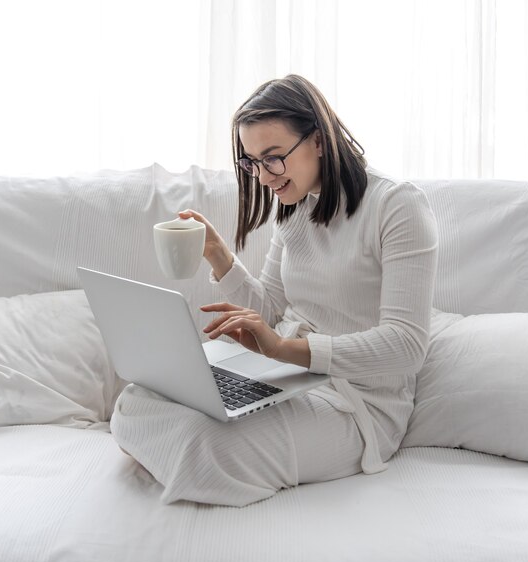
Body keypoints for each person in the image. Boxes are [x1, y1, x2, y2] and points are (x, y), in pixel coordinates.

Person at [111, 74, 438, 507]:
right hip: (286, 377)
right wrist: (218, 254)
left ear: (318, 141)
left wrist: (285, 349)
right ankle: (194, 458)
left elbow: (407, 345)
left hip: (357, 403)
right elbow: (268, 309)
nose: (264, 178)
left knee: (203, 443)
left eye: (273, 158)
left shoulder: (397, 206)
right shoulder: (296, 206)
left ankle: (190, 461)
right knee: (135, 400)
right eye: (252, 162)